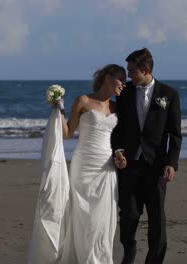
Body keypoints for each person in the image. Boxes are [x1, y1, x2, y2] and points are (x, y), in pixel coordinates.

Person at [111, 48, 182, 264]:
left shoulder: (169, 94)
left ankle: (154, 260)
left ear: (146, 70)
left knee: (156, 218)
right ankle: (129, 250)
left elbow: (175, 133)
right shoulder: (124, 93)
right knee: (129, 215)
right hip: (129, 165)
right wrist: (118, 150)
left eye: (132, 71)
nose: (128, 74)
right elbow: (117, 128)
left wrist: (172, 163)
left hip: (156, 166)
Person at [56, 64, 126, 263]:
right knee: (83, 217)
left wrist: (120, 154)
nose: (124, 84)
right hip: (84, 164)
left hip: (106, 168)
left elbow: (121, 138)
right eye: (121, 78)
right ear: (107, 78)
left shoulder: (117, 107)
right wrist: (58, 109)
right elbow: (67, 133)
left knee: (102, 221)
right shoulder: (83, 100)